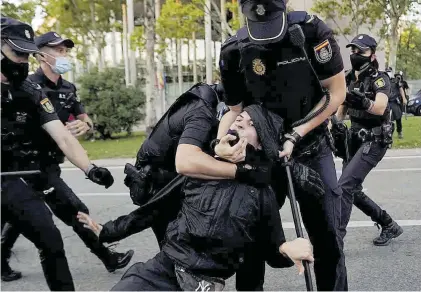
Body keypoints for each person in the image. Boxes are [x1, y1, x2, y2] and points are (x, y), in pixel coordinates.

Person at [78, 104, 316, 291]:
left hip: (201, 283)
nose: (241, 120)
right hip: (163, 268)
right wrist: (107, 230)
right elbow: (152, 210)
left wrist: (288, 248)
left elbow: (271, 249)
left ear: (262, 142)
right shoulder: (204, 169)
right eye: (240, 118)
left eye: (251, 123)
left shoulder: (262, 194)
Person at [216, 0, 348, 290]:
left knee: (328, 242)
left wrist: (297, 133)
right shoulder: (232, 50)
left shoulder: (312, 31)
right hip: (263, 158)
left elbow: (336, 93)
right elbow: (235, 110)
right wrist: (219, 144)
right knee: (249, 239)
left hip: (311, 149)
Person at [1, 31, 134, 282]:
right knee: (22, 221)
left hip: (43, 168)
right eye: (58, 50)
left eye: (66, 50)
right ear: (42, 55)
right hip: (11, 172)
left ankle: (107, 257)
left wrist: (90, 167)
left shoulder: (41, 89)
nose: (64, 55)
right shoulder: (32, 82)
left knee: (58, 224)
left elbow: (66, 133)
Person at [334, 34, 403, 246]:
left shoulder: (379, 78)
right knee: (351, 189)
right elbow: (341, 110)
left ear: (371, 54)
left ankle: (336, 242)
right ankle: (388, 223)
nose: (355, 54)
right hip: (353, 140)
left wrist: (363, 101)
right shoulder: (347, 78)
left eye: (360, 51)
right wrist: (335, 125)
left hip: (374, 139)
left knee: (344, 186)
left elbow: (381, 107)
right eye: (352, 50)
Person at [387, 69, 408, 139]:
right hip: (386, 102)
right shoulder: (383, 80)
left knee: (398, 117)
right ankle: (388, 135)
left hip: (395, 102)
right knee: (388, 120)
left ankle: (399, 131)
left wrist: (404, 98)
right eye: (387, 71)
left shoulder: (395, 80)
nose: (388, 73)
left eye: (389, 71)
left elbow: (401, 89)